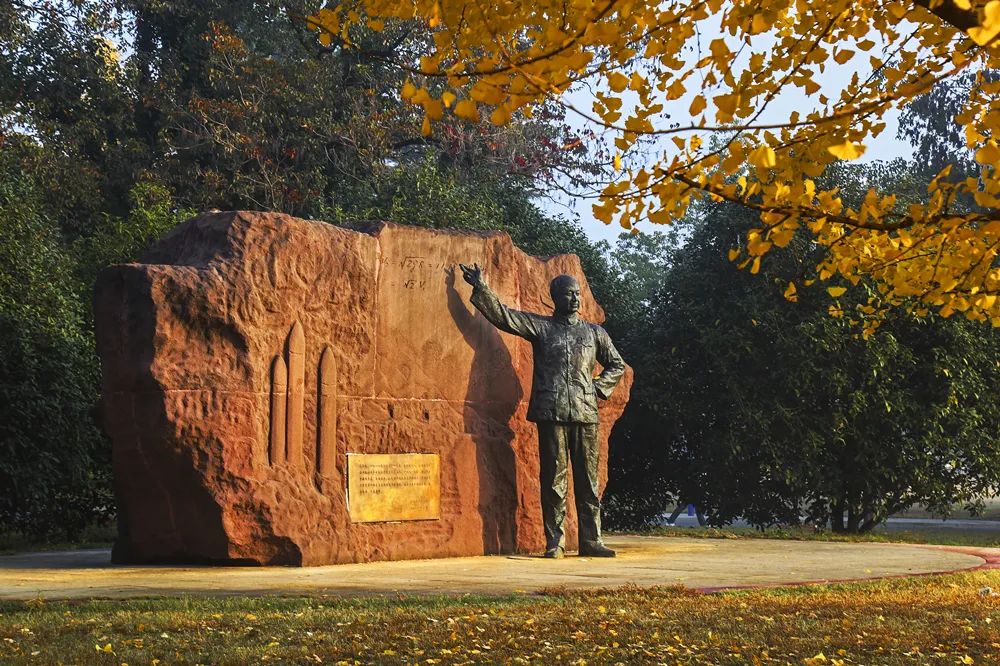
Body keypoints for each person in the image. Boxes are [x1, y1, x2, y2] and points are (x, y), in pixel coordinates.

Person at [459, 263, 626, 558]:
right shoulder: (542, 327)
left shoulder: (594, 333)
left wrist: (598, 388)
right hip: (551, 411)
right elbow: (506, 317)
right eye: (568, 294)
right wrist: (481, 288)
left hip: (586, 412)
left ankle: (592, 540)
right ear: (555, 297)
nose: (575, 299)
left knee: (588, 480)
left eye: (577, 294)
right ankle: (556, 541)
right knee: (554, 479)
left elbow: (616, 364)